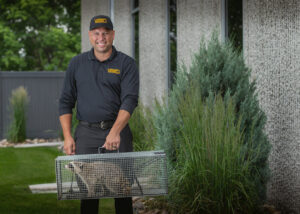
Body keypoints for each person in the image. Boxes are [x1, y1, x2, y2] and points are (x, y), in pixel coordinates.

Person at [59, 15, 139, 214]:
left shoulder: (126, 63)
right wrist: (68, 137)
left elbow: (130, 100)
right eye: (96, 33)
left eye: (105, 33)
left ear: (113, 35)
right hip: (85, 135)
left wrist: (115, 131)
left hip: (118, 135)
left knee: (122, 193)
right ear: (90, 35)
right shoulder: (76, 64)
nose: (101, 37)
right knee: (88, 194)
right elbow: (65, 102)